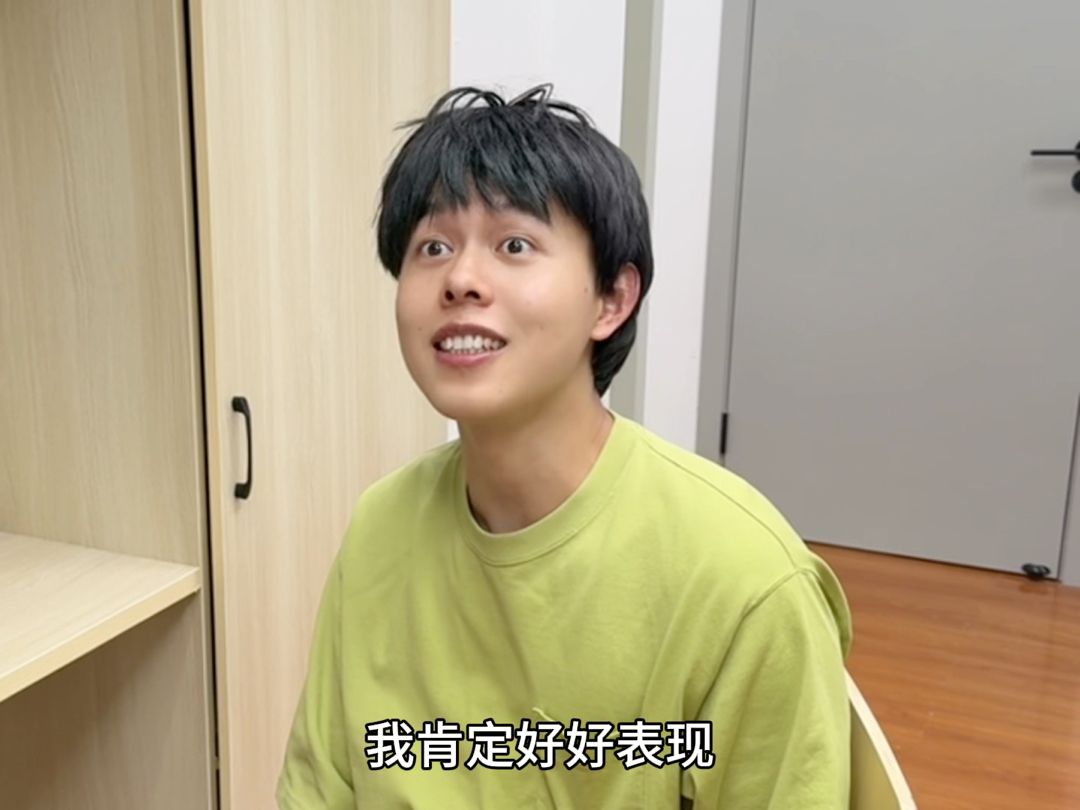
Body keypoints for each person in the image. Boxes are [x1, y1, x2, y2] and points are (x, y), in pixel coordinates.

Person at [276, 84, 852, 810]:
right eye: (433, 247)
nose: (460, 279)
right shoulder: (380, 527)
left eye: (514, 245)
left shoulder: (743, 580)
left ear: (612, 299)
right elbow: (320, 790)